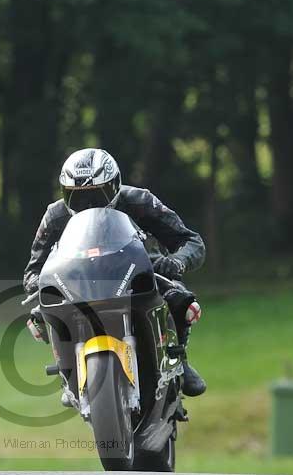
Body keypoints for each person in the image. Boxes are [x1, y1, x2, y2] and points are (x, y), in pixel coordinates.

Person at [23, 148, 206, 399]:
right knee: (40, 315)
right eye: (78, 198)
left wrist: (176, 262)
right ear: (65, 194)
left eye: (96, 196)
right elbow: (34, 267)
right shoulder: (55, 215)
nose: (87, 206)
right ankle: (68, 373)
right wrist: (36, 282)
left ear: (114, 186)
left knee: (181, 299)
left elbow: (191, 241)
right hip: (78, 282)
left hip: (136, 271)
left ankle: (179, 359)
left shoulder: (139, 201)